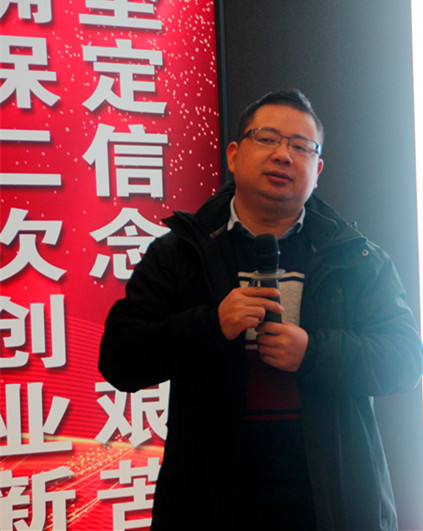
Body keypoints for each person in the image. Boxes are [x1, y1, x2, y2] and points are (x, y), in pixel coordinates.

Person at [99, 90, 423, 530]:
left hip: (333, 500)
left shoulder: (356, 257)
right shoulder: (182, 252)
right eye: (267, 139)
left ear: (317, 170)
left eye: (301, 146)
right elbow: (120, 358)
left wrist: (312, 353)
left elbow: (405, 359)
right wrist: (211, 325)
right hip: (209, 499)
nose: (283, 155)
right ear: (234, 155)